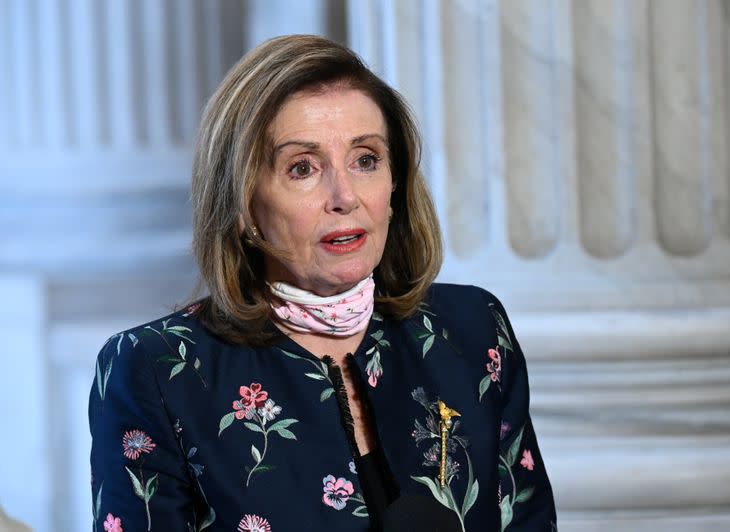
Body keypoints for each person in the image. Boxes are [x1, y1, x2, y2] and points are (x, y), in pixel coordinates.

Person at [89, 34, 556, 532]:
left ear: (395, 185)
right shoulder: (156, 369)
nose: (344, 196)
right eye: (303, 168)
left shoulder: (473, 331)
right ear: (245, 205)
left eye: (366, 160)